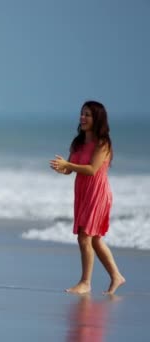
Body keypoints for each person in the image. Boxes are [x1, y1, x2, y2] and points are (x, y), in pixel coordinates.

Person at [50, 101, 126, 294]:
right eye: (82, 114)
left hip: (98, 193)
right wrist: (62, 168)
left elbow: (92, 170)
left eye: (87, 115)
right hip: (83, 193)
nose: (82, 118)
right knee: (95, 239)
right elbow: (70, 170)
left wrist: (69, 165)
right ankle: (116, 276)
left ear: (97, 119)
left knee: (85, 237)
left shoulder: (103, 143)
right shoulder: (78, 142)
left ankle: (85, 283)